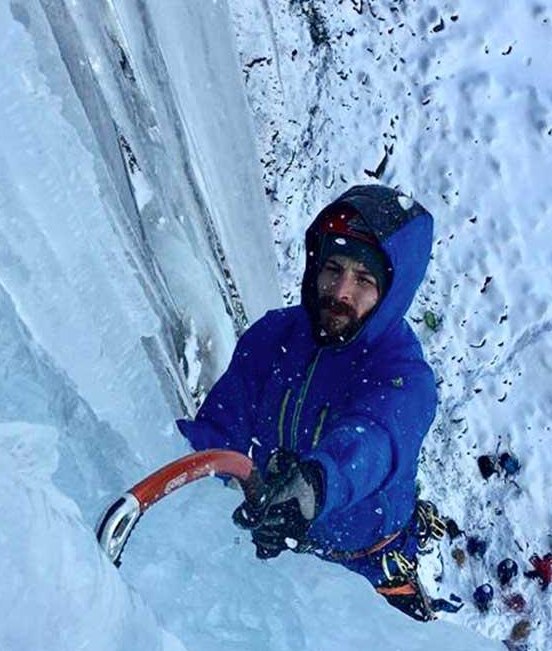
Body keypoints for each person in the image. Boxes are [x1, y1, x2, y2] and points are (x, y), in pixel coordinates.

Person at [176, 184, 444, 620]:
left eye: (364, 280)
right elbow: (217, 435)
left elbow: (374, 439)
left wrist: (316, 484)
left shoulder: (405, 377)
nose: (340, 291)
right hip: (277, 546)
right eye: (333, 269)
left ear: (391, 295)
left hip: (366, 571)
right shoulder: (271, 339)